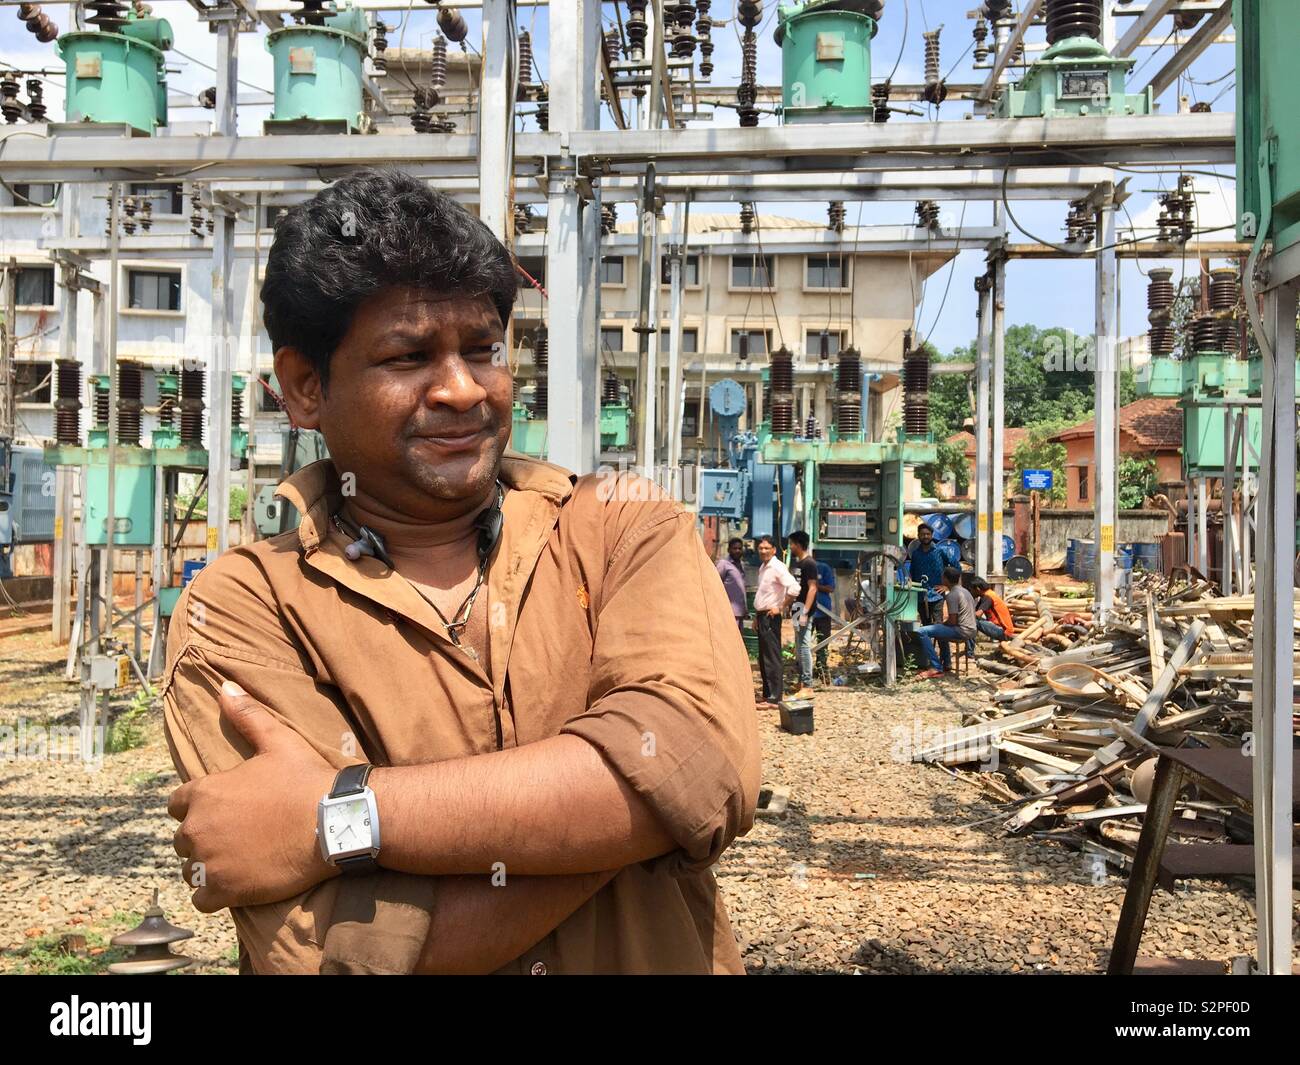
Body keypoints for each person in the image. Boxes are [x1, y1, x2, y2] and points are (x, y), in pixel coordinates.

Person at [161, 169, 760, 975]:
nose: (461, 388)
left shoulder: (623, 527)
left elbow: (702, 763)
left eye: (483, 349)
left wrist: (336, 814)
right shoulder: (240, 606)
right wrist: (624, 811)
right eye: (409, 356)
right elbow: (329, 955)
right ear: (306, 388)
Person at [753, 534, 799, 709]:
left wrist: (781, 607)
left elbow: (795, 587)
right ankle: (767, 694)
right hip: (762, 616)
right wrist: (757, 617)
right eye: (761, 548)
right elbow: (764, 593)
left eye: (766, 548)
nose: (763, 551)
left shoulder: (777, 567)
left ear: (773, 550)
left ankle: (775, 697)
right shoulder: (763, 567)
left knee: (772, 657)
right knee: (764, 658)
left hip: (772, 616)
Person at [914, 565, 977, 679]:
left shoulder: (952, 595)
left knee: (921, 631)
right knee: (938, 631)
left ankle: (936, 667)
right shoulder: (965, 591)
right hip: (971, 629)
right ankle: (946, 662)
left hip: (961, 630)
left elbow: (952, 621)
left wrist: (941, 625)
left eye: (943, 577)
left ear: (946, 579)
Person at [788, 531, 818, 699]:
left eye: (792, 544)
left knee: (805, 646)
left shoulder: (809, 564)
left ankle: (808, 685)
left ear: (798, 545)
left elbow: (812, 588)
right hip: (797, 608)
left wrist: (805, 612)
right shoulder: (799, 564)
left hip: (803, 610)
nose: (790, 547)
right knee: (799, 646)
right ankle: (802, 681)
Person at [906, 521, 947, 625]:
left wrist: (946, 586)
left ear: (932, 535)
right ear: (918, 535)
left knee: (938, 623)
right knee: (925, 624)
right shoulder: (915, 554)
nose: (925, 536)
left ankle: (942, 642)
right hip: (920, 595)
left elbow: (956, 567)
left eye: (928, 534)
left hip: (936, 594)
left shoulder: (940, 551)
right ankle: (927, 642)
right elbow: (912, 572)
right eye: (923, 534)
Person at [716, 537, 749, 631]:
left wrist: (745, 609)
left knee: (739, 642)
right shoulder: (723, 564)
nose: (737, 551)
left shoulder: (741, 565)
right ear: (729, 550)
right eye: (734, 548)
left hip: (740, 612)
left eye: (739, 548)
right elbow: (715, 584)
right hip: (728, 613)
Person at [969, 576, 1016, 642]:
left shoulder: (988, 596)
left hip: (1004, 632)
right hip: (1001, 630)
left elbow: (977, 614)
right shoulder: (986, 595)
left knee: (971, 620)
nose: (971, 592)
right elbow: (975, 611)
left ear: (977, 589)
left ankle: (970, 651)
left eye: (971, 590)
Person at [812, 556, 836, 678]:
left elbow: (831, 588)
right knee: (803, 642)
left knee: (823, 641)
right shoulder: (800, 567)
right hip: (806, 612)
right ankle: (803, 669)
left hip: (823, 611)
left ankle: (821, 668)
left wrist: (815, 586)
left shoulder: (823, 568)